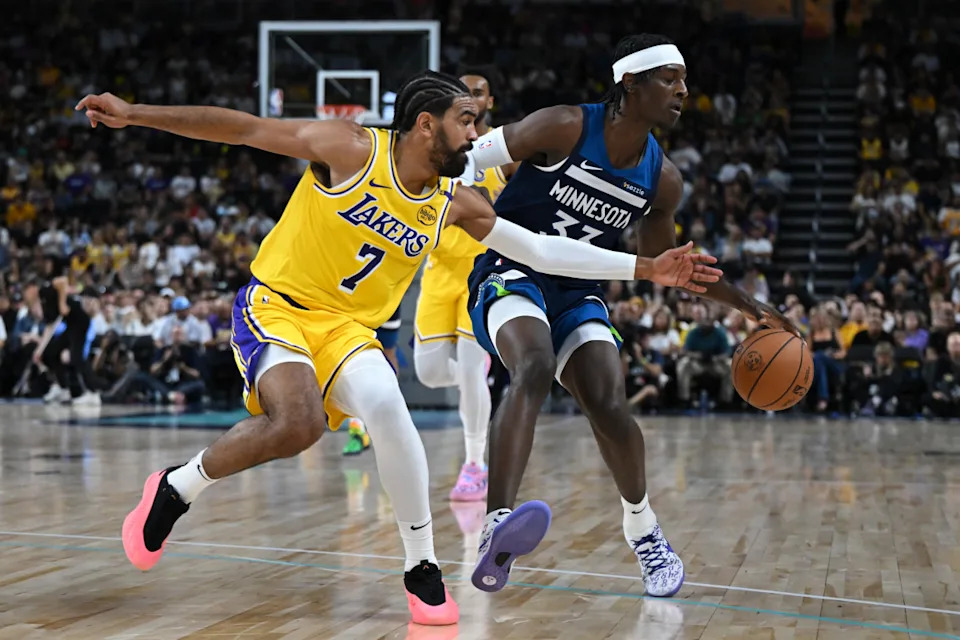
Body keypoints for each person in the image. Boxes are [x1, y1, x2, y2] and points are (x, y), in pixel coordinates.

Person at [76, 70, 720, 625]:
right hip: (277, 307)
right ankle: (177, 487)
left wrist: (646, 269)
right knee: (298, 424)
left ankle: (422, 567)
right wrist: (136, 115)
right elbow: (240, 127)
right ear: (423, 125)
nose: (476, 136)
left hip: (350, 331)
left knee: (389, 409)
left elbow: (542, 249)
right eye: (465, 121)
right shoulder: (350, 149)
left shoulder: (454, 202)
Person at [460, 35, 797, 597]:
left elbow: (676, 269)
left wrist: (751, 308)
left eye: (685, 80)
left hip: (576, 289)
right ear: (630, 83)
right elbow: (470, 157)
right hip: (508, 268)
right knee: (535, 366)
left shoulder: (663, 180)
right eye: (670, 78)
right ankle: (497, 524)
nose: (684, 91)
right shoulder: (564, 125)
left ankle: (643, 528)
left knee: (610, 402)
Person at [414, 68, 517, 501]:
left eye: (477, 94)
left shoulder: (504, 151)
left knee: (473, 374)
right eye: (462, 95)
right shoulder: (436, 151)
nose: (470, 100)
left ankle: (475, 465)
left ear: (489, 102)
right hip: (438, 271)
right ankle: (477, 385)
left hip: (482, 273)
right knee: (430, 373)